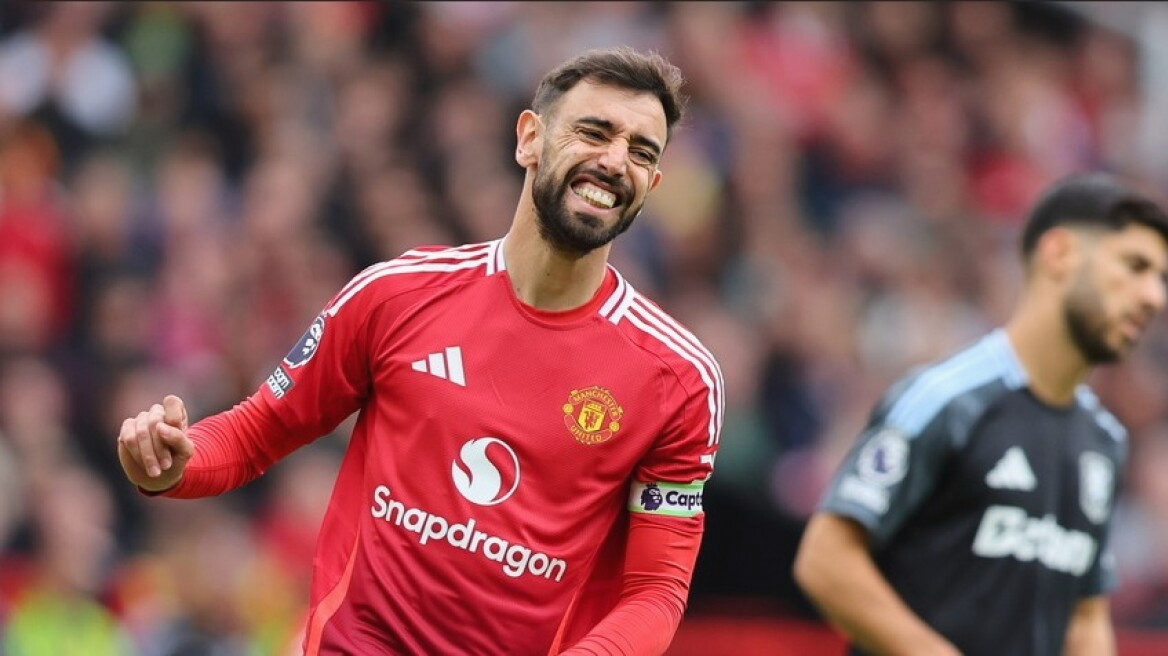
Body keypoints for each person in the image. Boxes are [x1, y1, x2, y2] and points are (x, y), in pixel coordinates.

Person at [116, 47, 724, 655]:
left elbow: (657, 590)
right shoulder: (396, 295)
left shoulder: (678, 380)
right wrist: (174, 465)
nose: (615, 161)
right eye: (594, 132)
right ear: (530, 139)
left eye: (641, 152)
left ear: (652, 184)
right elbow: (256, 433)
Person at [793, 173, 1168, 656]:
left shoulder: (1104, 441)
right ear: (1059, 254)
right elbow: (826, 561)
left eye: (1160, 278)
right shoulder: (946, 400)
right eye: (1135, 266)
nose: (1153, 297)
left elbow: (1084, 616)